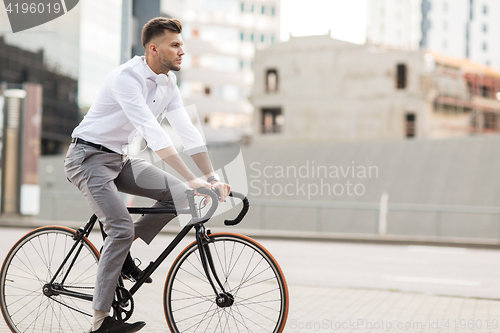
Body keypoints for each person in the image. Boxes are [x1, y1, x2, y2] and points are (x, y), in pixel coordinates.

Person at [64, 17, 230, 333]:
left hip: (119, 159)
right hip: (86, 158)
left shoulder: (169, 85)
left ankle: (122, 248)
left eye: (182, 45)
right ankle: (100, 322)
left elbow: (187, 131)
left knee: (180, 194)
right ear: (154, 49)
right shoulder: (127, 78)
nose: (182, 51)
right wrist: (191, 176)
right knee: (121, 228)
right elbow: (152, 133)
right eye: (175, 45)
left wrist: (209, 177)